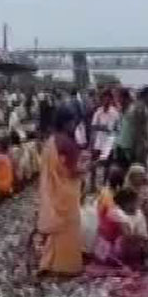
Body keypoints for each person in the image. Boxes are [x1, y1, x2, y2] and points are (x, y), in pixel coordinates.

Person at [37, 107, 87, 276]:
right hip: (67, 191)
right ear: (66, 122)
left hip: (53, 190)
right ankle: (66, 266)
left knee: (55, 229)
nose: (74, 125)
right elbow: (73, 171)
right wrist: (87, 167)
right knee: (68, 229)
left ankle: (49, 263)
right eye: (72, 121)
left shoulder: (51, 141)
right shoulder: (67, 143)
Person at [91, 89, 121, 188]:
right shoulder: (98, 112)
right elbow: (93, 126)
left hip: (109, 143)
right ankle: (92, 185)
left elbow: (118, 128)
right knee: (94, 164)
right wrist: (103, 128)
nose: (106, 101)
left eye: (108, 99)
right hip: (98, 142)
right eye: (104, 99)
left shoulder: (115, 113)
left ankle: (104, 185)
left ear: (111, 100)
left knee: (107, 166)